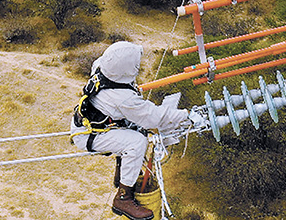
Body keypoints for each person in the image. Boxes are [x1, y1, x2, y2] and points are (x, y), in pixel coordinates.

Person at [71, 41, 195, 219]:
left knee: (135, 128)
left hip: (90, 124)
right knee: (137, 142)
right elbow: (155, 117)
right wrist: (185, 115)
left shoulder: (101, 67)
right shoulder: (123, 99)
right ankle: (123, 197)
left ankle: (122, 175)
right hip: (89, 135)